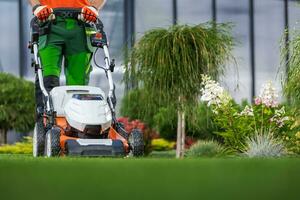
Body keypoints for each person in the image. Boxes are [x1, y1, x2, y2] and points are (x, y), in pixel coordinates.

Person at [27, 0, 106, 114]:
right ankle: (45, 123)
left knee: (79, 84)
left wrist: (94, 7)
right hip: (48, 22)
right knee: (48, 79)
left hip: (82, 24)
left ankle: (78, 124)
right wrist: (37, 7)